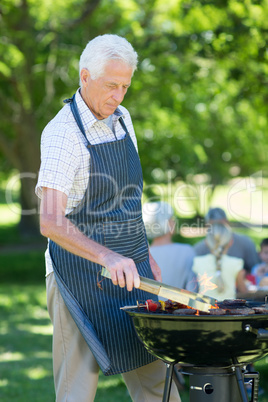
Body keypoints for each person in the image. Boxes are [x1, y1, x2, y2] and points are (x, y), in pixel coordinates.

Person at [35, 35, 180, 402]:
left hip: (132, 269)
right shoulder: (62, 134)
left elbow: (128, 197)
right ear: (85, 77)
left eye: (125, 86)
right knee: (77, 391)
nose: (118, 96)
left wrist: (143, 254)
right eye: (111, 85)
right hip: (78, 277)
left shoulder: (122, 118)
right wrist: (107, 257)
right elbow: (50, 222)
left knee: (157, 382)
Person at [142, 201, 196, 292]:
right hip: (179, 305)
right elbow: (193, 289)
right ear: (165, 223)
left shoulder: (142, 256)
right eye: (171, 218)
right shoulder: (187, 251)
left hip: (151, 305)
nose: (174, 221)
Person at [194, 207, 260, 273]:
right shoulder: (199, 249)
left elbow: (255, 269)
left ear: (228, 223)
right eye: (213, 225)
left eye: (221, 225)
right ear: (206, 226)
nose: (218, 229)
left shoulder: (245, 243)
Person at [192, 222, 248, 300]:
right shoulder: (237, 263)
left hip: (204, 310)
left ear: (206, 242)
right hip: (230, 310)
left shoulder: (197, 262)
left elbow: (193, 288)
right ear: (231, 242)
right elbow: (243, 291)